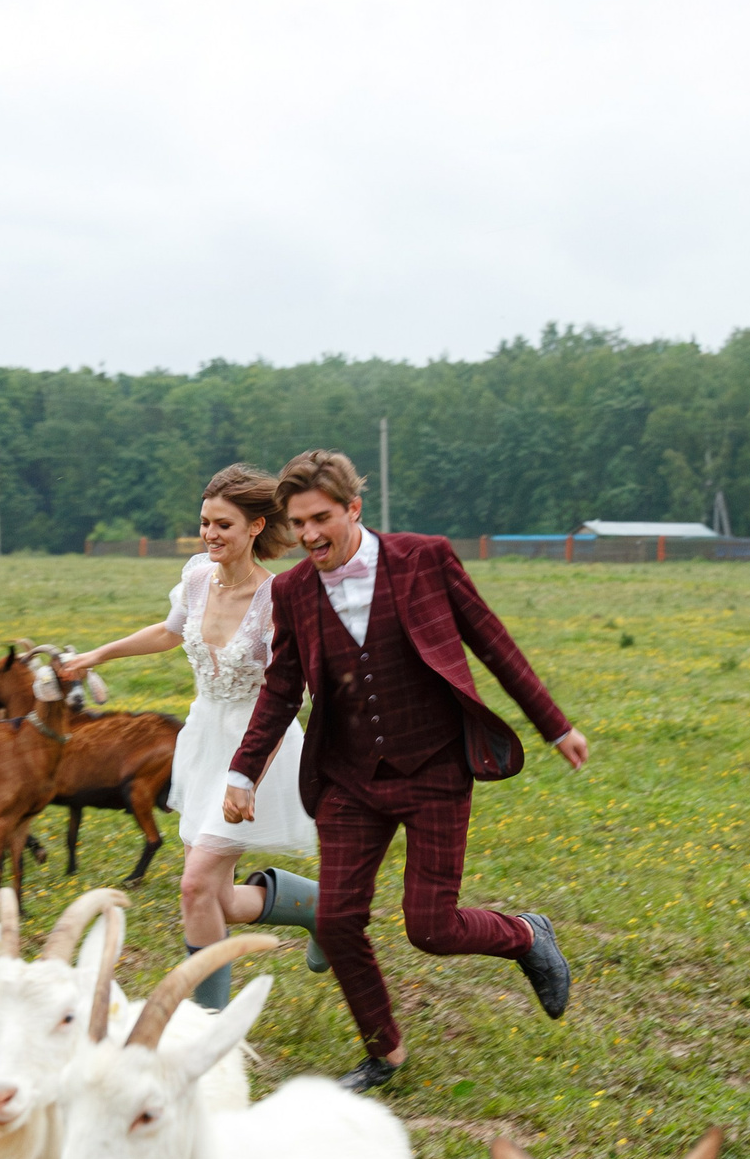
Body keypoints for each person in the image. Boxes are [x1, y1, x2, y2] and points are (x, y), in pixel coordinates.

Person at [224, 449, 589, 1091]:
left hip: (434, 767)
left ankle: (526, 936)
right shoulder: (292, 591)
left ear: (353, 509)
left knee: (431, 927)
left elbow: (492, 642)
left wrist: (555, 725)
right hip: (349, 778)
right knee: (337, 920)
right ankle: (384, 1052)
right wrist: (242, 773)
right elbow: (281, 688)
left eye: (321, 518)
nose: (309, 534)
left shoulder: (425, 558)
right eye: (298, 523)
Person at [59, 465, 316, 1009]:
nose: (209, 534)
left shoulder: (278, 598)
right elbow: (169, 631)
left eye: (223, 525)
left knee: (195, 887)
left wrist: (249, 774)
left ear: (256, 527)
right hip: (202, 743)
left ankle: (206, 1022)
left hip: (256, 748)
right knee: (218, 898)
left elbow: (288, 694)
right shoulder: (198, 576)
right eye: (204, 522)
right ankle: (320, 907)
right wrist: (98, 654)